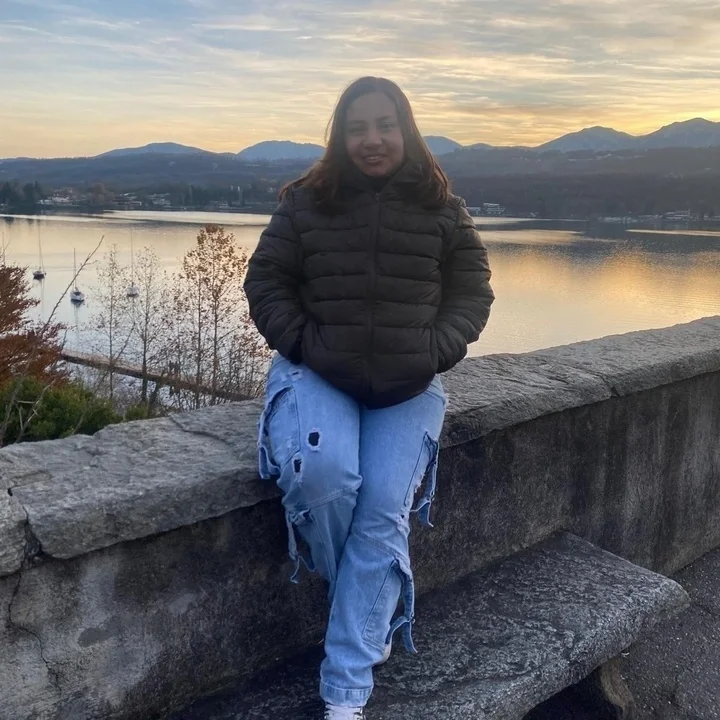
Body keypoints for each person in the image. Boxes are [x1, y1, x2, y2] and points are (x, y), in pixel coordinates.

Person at [244, 76, 494, 720]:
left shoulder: (444, 209)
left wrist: (435, 350)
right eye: (358, 128)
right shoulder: (304, 203)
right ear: (341, 136)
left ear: (406, 130)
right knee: (323, 477)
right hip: (319, 372)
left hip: (408, 384)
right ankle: (368, 612)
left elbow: (473, 292)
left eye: (385, 125)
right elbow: (265, 280)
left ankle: (346, 692)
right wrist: (304, 342)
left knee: (382, 510)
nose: (372, 140)